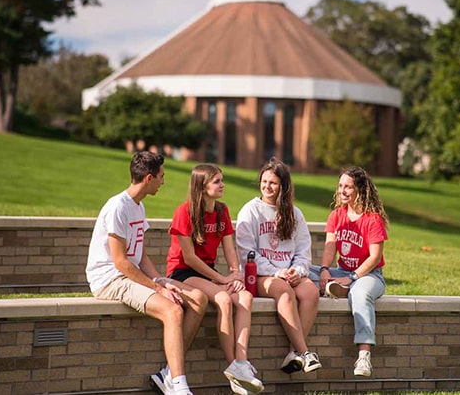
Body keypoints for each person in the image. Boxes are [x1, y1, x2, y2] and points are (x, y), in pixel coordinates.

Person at [85, 151, 208, 395]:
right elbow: (121, 262)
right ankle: (180, 386)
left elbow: (139, 256)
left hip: (127, 274)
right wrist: (158, 288)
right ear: (149, 178)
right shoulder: (117, 207)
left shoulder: (138, 207)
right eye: (162, 177)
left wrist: (160, 280)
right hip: (108, 278)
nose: (164, 182)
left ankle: (168, 375)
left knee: (198, 298)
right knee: (172, 310)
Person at [166, 164, 264, 395]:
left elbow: (230, 249)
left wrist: (236, 274)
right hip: (183, 273)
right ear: (202, 186)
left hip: (209, 272)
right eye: (217, 181)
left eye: (222, 180)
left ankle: (241, 362)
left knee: (245, 297)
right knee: (223, 298)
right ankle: (233, 367)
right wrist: (221, 279)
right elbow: (189, 258)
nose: (222, 185)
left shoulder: (222, 211)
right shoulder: (184, 212)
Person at [236, 158, 322, 375]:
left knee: (311, 292)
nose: (267, 186)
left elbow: (303, 251)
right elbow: (247, 254)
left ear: (283, 186)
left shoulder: (295, 214)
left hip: (289, 274)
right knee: (283, 291)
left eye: (273, 182)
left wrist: (298, 271)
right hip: (261, 275)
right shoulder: (250, 211)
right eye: (264, 181)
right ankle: (305, 352)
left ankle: (293, 354)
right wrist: (278, 272)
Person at [309, 166, 389, 378]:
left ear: (360, 190)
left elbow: (374, 257)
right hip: (341, 272)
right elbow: (329, 246)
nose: (342, 191)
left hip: (370, 276)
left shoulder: (372, 219)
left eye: (348, 187)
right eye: (340, 186)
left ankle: (364, 355)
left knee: (360, 293)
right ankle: (338, 288)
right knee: (305, 272)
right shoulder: (337, 215)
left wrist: (352, 277)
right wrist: (325, 270)